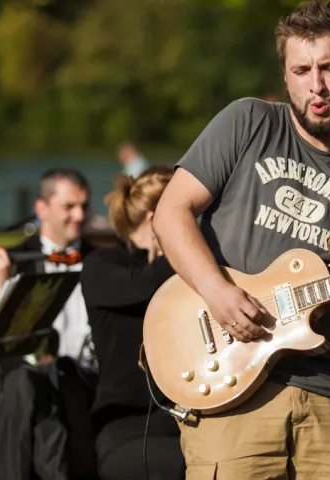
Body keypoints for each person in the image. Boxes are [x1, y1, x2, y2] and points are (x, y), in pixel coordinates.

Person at [152, 1, 330, 477]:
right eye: (302, 70)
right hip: (231, 380)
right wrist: (219, 293)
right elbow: (170, 214)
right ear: (287, 76)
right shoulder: (247, 122)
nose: (317, 85)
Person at [0, 167, 97, 436]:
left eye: (84, 206)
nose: (79, 216)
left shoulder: (100, 260)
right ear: (41, 208)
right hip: (25, 394)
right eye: (69, 206)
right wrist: (3, 289)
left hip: (85, 387)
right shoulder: (13, 261)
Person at [79, 166, 183, 479]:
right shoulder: (102, 265)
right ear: (157, 218)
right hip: (128, 431)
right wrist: (185, 246)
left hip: (185, 422)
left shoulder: (179, 269)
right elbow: (145, 283)